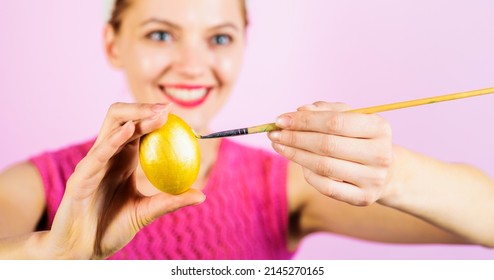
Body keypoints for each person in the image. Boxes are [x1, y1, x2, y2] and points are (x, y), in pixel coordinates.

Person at [1, 0, 493, 260]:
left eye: (219, 38)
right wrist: (50, 257)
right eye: (159, 33)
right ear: (113, 43)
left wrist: (391, 174)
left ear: (242, 46)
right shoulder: (38, 187)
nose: (193, 66)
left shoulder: (277, 187)